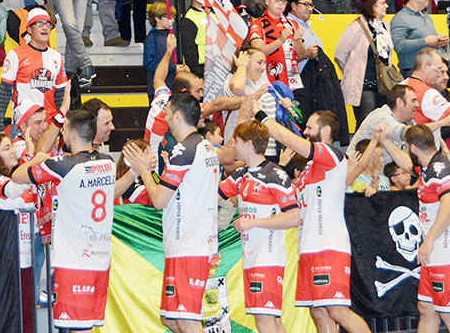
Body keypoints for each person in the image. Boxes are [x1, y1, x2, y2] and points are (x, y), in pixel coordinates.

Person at [258, 108, 374, 333]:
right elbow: (294, 209)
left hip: (329, 246)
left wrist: (260, 115)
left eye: (310, 127)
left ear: (326, 130)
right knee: (318, 312)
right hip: (308, 248)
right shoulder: (309, 167)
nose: (305, 131)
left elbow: (285, 138)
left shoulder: (330, 155)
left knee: (337, 311)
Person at [10, 109, 113, 333]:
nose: (62, 134)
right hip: (101, 260)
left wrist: (37, 156)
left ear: (73, 135)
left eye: (64, 129)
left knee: (78, 330)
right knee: (87, 328)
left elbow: (17, 176)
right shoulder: (108, 161)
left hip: (75, 263)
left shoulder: (63, 165)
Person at [125, 93, 219, 333]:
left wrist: (143, 170)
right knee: (171, 319)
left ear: (177, 116)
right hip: (192, 244)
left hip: (189, 247)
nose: (164, 117)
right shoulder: (205, 147)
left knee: (187, 320)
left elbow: (158, 200)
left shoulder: (183, 151)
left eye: (167, 112)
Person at [377, 125, 450, 333]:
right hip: (436, 253)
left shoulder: (441, 169)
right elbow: (407, 163)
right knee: (426, 307)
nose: (406, 151)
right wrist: (385, 142)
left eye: (406, 146)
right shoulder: (428, 167)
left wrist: (429, 239)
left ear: (413, 147)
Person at [217, 119, 299, 333]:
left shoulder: (275, 175)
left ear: (250, 144)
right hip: (252, 257)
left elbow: (294, 217)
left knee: (265, 320)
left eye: (236, 141)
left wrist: (253, 223)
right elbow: (212, 194)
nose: (232, 145)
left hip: (268, 257)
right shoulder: (241, 174)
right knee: (271, 319)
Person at [0, 7, 66, 130]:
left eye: (48, 24)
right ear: (29, 29)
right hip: (22, 126)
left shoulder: (57, 57)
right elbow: (4, 92)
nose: (45, 28)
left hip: (50, 127)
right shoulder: (15, 55)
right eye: (39, 24)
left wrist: (61, 124)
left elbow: (60, 96)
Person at [335, 0, 393, 122]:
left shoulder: (385, 26)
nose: (387, 6)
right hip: (364, 86)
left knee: (382, 122)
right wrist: (352, 71)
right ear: (372, 5)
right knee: (366, 123)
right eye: (383, 3)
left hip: (383, 85)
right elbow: (339, 54)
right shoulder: (356, 27)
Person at [249, 0, 304, 91]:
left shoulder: (292, 24)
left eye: (284, 1)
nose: (280, 4)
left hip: (292, 82)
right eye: (276, 0)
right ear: (267, 1)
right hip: (267, 82)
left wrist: (297, 40)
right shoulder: (258, 24)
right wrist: (280, 41)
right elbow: (257, 52)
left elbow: (301, 55)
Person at [391, 0, 449, 75]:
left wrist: (441, 41)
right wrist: (425, 41)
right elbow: (398, 46)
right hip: (413, 72)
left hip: (432, 71)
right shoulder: (400, 18)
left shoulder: (427, 17)